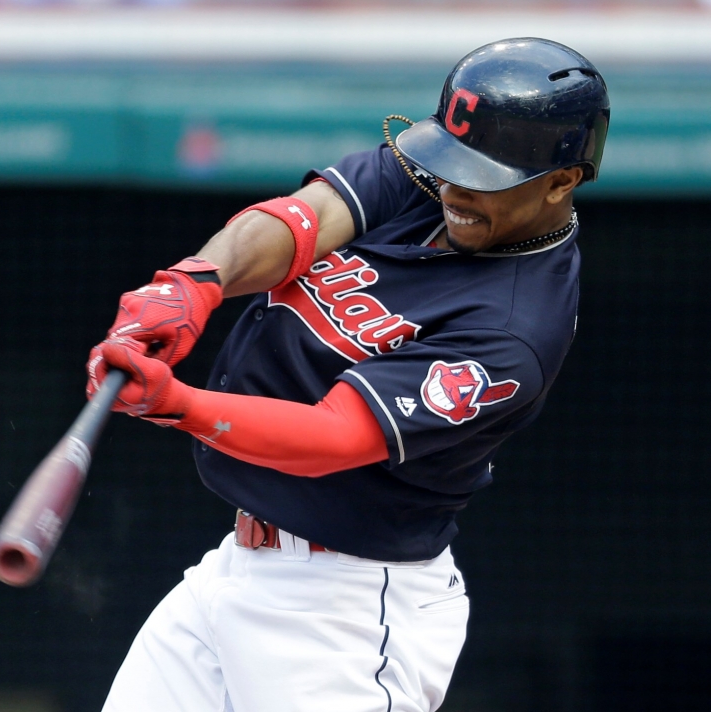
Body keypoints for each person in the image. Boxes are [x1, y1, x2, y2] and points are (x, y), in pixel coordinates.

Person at [87, 37, 610, 712]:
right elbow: (302, 219)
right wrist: (194, 284)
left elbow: (333, 437)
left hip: (346, 609)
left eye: (480, 176)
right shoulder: (432, 182)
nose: (452, 188)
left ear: (562, 180)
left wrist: (176, 403)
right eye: (448, 162)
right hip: (236, 571)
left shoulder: (516, 330)